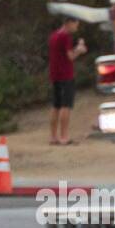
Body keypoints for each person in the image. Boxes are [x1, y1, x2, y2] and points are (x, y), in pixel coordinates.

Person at [48, 16, 88, 146]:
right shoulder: (65, 37)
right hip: (65, 74)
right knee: (66, 106)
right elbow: (70, 56)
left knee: (56, 106)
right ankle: (64, 136)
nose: (76, 27)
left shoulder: (54, 35)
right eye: (75, 24)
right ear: (69, 23)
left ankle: (53, 136)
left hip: (55, 74)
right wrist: (79, 50)